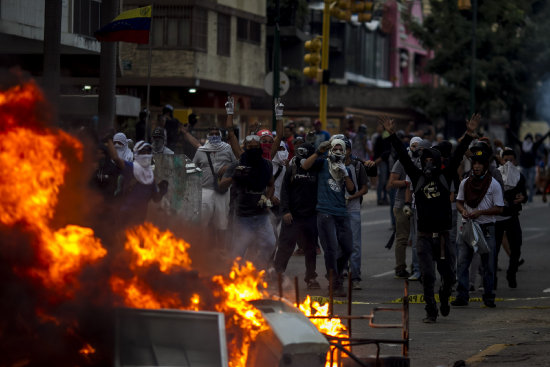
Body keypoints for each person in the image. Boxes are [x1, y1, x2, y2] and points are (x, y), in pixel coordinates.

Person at [379, 113, 478, 323]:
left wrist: (469, 135)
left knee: (449, 275)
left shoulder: (446, 174)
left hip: (443, 235)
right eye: (426, 160)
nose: (429, 163)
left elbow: (459, 153)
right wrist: (392, 133)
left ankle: (444, 297)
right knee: (428, 276)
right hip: (423, 235)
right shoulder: (417, 177)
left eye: (433, 160)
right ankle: (430, 311)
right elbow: (403, 156)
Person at [301, 138, 355, 297]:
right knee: (330, 248)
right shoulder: (322, 164)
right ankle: (335, 282)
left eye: (341, 149)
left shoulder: (346, 169)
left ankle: (335, 273)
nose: (337, 152)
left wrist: (345, 174)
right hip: (325, 212)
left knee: (348, 247)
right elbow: (305, 166)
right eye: (335, 149)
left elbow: (351, 190)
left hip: (342, 213)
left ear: (345, 152)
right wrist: (319, 151)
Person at [453, 143, 504, 308]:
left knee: (488, 265)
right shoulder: (465, 183)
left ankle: (489, 297)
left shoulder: (493, 184)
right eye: (474, 163)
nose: (476, 166)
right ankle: (462, 295)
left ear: (485, 166)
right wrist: (463, 211)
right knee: (462, 263)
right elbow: (459, 202)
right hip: (468, 227)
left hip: (487, 228)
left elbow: (499, 208)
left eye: (479, 164)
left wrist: (480, 213)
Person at [273, 143, 321, 289]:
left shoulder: (318, 169)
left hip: (311, 216)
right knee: (285, 246)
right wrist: (285, 211)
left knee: (310, 248)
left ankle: (311, 277)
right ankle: (278, 275)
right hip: (292, 216)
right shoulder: (292, 168)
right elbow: (284, 191)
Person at [106, 139, 168, 230]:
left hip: (139, 219)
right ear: (137, 153)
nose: (146, 154)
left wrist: (162, 191)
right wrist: (109, 140)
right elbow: (115, 158)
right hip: (125, 216)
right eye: (143, 152)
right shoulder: (131, 167)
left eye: (148, 152)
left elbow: (156, 198)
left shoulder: (150, 177)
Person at [193, 126, 237, 249]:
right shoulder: (201, 150)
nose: (214, 135)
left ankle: (221, 250)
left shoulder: (228, 149)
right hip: (205, 190)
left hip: (223, 191)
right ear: (208, 136)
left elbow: (237, 164)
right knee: (203, 220)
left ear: (220, 135)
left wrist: (228, 168)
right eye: (211, 133)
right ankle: (201, 248)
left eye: (216, 133)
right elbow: (193, 167)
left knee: (222, 222)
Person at [495, 148, 527, 288]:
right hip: (497, 217)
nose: (508, 163)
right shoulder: (496, 175)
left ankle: (511, 272)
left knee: (516, 245)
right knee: (493, 249)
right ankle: (491, 279)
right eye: (506, 160)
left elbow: (524, 194)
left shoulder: (519, 176)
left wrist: (522, 198)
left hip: (512, 215)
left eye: (511, 160)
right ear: (501, 160)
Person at [344, 138, 369, 290]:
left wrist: (352, 197)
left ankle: (355, 277)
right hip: (336, 210)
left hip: (353, 209)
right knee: (338, 245)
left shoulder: (357, 166)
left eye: (345, 148)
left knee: (355, 246)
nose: (341, 152)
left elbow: (364, 188)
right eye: (338, 148)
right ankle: (340, 274)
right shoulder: (329, 165)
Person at [508, 129, 550, 202]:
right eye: (527, 138)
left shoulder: (534, 145)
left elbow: (542, 139)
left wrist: (548, 132)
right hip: (524, 167)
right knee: (523, 183)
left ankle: (530, 198)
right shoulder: (522, 144)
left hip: (531, 167)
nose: (528, 140)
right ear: (525, 139)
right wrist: (508, 130)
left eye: (530, 138)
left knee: (531, 183)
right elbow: (515, 138)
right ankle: (524, 197)